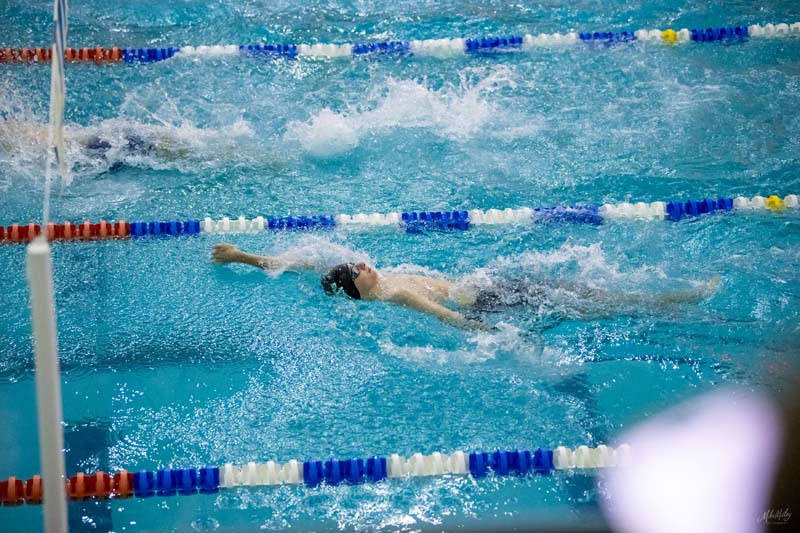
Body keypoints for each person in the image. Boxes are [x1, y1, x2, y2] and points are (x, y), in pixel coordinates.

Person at [211, 243, 721, 331]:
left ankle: (663, 303)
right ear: (359, 290)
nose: (363, 263)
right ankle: (672, 303)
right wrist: (485, 332)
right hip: (496, 301)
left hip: (493, 287)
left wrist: (241, 256)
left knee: (587, 293)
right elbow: (448, 319)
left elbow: (297, 265)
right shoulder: (394, 294)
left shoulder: (376, 283)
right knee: (594, 303)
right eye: (358, 269)